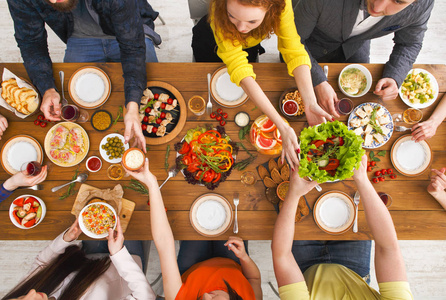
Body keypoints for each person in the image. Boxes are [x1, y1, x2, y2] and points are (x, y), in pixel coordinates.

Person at [192, 0, 333, 170]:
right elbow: (240, 69)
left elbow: (294, 50)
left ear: (271, 8)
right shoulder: (220, 7)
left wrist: (310, 104)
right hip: (210, 40)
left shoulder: (281, 3)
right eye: (232, 16)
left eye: (252, 21)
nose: (241, 28)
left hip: (248, 45)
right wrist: (282, 126)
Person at [6, 0, 162, 150]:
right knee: (77, 102)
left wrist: (132, 106)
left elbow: (132, 47)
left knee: (150, 96)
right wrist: (47, 89)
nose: (53, 1)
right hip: (80, 37)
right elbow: (30, 40)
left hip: (128, 29)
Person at [272, 155, 413, 299]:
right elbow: (388, 247)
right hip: (353, 270)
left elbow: (282, 255)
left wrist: (293, 194)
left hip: (304, 272)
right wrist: (362, 180)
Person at [124, 159, 262, 300]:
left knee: (192, 218)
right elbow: (254, 278)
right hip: (232, 263)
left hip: (192, 268)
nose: (207, 294)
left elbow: (163, 242)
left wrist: (152, 184)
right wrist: (244, 257)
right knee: (227, 202)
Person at [293, 0, 435, 117]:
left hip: (356, 43)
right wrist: (318, 81)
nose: (377, 7)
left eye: (398, 1)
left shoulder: (422, 5)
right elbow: (293, 41)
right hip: (310, 41)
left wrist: (394, 76)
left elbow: (409, 43)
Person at [2, 218, 156, 300]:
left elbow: (41, 264)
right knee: (136, 218)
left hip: (90, 257)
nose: (32, 292)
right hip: (124, 264)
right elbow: (145, 296)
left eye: (20, 298)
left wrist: (65, 239)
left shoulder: (31, 291)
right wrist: (118, 254)